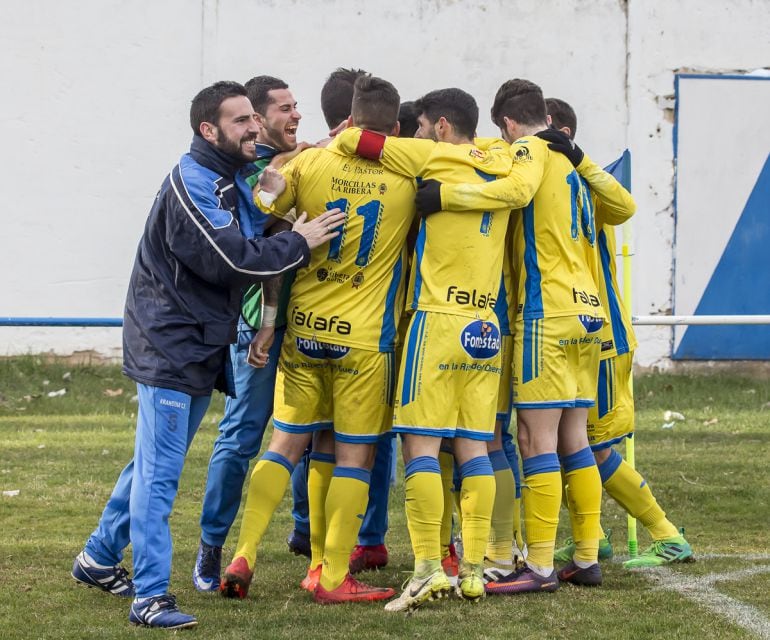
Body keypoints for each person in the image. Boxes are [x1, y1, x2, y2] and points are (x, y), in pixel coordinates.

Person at [70, 80, 343, 629]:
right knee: (160, 474)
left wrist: (315, 153)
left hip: (196, 342)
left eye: (254, 118)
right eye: (242, 121)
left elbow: (270, 178)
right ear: (209, 130)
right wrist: (300, 238)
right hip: (169, 344)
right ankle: (149, 596)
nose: (255, 129)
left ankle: (99, 557)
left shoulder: (228, 170)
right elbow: (235, 259)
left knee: (150, 462)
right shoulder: (194, 182)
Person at [415, 79, 624, 594]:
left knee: (535, 439)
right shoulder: (573, 161)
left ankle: (541, 567)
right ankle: (586, 557)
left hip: (544, 314)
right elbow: (622, 206)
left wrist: (445, 195)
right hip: (588, 312)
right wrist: (579, 153)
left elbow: (517, 190)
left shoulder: (527, 149)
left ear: (508, 124)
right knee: (575, 436)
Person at [219, 74, 416, 605]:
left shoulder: (310, 162)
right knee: (354, 457)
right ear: (394, 128)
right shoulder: (406, 177)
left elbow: (262, 206)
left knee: (288, 443)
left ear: (348, 120)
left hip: (305, 331)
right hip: (364, 341)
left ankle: (246, 552)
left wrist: (279, 173)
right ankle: (332, 576)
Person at [335, 87, 514, 610]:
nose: (412, 136)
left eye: (417, 126)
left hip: (435, 322)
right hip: (484, 325)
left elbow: (355, 140)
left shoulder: (430, 153)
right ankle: (476, 571)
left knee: (419, 446)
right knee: (474, 447)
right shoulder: (503, 160)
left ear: (439, 126)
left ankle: (429, 569)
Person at [545, 97, 694, 570]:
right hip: (584, 331)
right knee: (566, 437)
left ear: (561, 132)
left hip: (601, 336)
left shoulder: (588, 185)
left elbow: (622, 207)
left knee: (591, 444)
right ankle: (592, 536)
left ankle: (666, 533)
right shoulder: (570, 185)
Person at [193, 75, 312, 592]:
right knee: (243, 434)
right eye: (284, 108)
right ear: (259, 121)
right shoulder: (253, 172)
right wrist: (264, 325)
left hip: (306, 318)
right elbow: (262, 258)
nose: (296, 115)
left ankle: (310, 534)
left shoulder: (299, 162)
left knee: (320, 432)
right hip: (259, 322)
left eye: (296, 106)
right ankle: (211, 547)